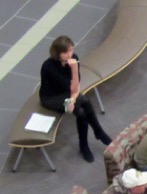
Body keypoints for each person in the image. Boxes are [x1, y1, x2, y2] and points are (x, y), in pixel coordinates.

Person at [39, 35, 112, 163]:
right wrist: (73, 69)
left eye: (71, 50)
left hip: (68, 94)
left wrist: (72, 99)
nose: (70, 54)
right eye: (65, 52)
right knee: (83, 100)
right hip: (51, 98)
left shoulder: (74, 58)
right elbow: (72, 89)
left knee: (82, 112)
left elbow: (76, 87)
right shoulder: (48, 67)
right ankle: (98, 133)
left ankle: (85, 145)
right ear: (57, 53)